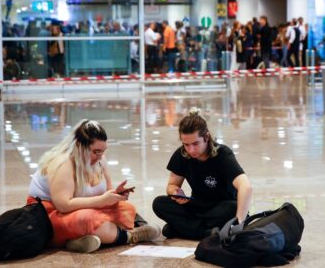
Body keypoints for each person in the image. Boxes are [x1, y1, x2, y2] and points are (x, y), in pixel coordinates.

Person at [27, 119, 160, 253]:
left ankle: (77, 241)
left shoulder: (100, 159)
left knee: (127, 208)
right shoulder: (63, 163)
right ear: (79, 145)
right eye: (95, 152)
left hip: (85, 208)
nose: (100, 156)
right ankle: (131, 236)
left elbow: (107, 192)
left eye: (103, 151)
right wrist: (102, 200)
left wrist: (116, 194)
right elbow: (63, 205)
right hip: (51, 213)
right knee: (87, 219)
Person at [152, 108, 252, 240]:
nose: (191, 150)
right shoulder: (182, 154)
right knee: (159, 203)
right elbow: (171, 185)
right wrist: (176, 192)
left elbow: (246, 187)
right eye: (186, 144)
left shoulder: (223, 154)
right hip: (197, 206)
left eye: (195, 143)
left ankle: (183, 229)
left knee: (233, 208)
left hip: (221, 206)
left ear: (206, 137)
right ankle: (206, 232)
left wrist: (239, 223)